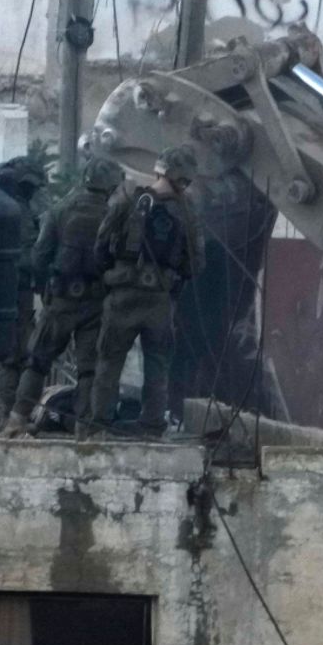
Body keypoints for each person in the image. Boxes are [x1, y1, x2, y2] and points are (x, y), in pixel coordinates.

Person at [2, 157, 126, 438]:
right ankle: (84, 429)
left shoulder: (60, 210)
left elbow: (39, 257)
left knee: (37, 361)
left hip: (60, 300)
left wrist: (47, 288)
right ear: (110, 186)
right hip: (95, 303)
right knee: (88, 370)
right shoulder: (114, 215)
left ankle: (17, 420)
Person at [87, 145, 204, 435]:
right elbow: (195, 265)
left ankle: (98, 425)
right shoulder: (187, 211)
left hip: (123, 294)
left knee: (109, 362)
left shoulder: (127, 199)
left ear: (159, 169)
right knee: (157, 364)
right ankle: (151, 425)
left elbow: (100, 247)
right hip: (160, 300)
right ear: (184, 179)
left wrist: (113, 275)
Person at [0, 156, 48, 416]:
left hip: (9, 288)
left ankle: (11, 413)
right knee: (14, 355)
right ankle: (9, 413)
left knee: (15, 353)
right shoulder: (16, 210)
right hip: (14, 288)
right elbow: (26, 255)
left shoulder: (4, 204)